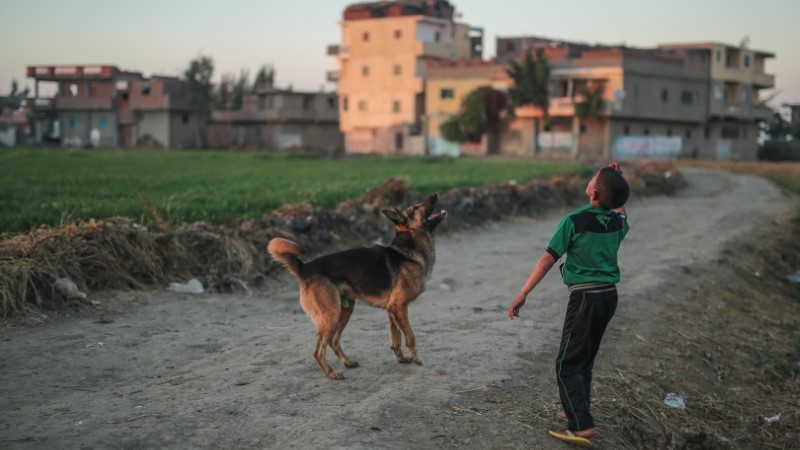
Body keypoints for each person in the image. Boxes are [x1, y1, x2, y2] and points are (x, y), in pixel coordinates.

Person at [508, 162, 630, 446]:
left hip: (585, 298)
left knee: (567, 363)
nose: (590, 179)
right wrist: (617, 180)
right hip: (608, 296)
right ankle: (574, 409)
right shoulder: (616, 222)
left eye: (594, 178)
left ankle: (581, 427)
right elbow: (622, 211)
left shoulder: (574, 221)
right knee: (584, 356)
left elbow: (548, 258)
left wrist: (523, 293)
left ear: (594, 192)